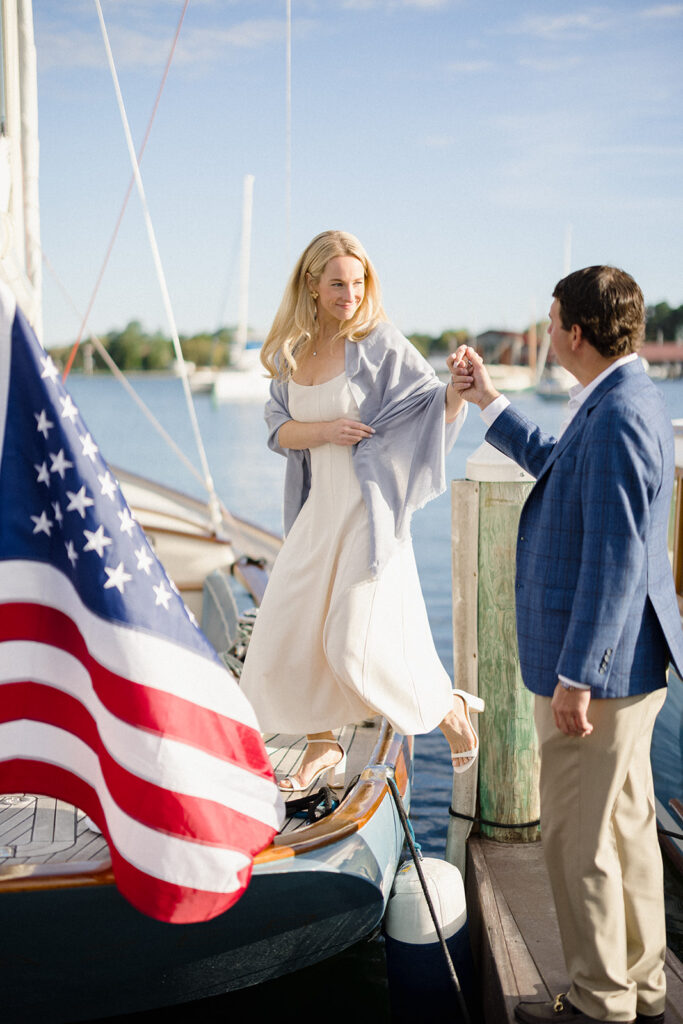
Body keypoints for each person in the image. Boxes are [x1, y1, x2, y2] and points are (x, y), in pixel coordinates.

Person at [451, 265, 683, 1024]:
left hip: (601, 673)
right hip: (635, 664)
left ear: (574, 332)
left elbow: (613, 558)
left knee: (575, 844)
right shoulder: (623, 398)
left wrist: (577, 675)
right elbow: (557, 463)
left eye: (550, 321)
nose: (546, 332)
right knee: (626, 832)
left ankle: (596, 1002)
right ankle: (644, 989)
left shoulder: (615, 416)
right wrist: (488, 398)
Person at [239, 229, 483, 791]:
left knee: (352, 644)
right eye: (338, 283)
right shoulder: (293, 352)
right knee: (285, 637)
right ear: (312, 284)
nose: (350, 294)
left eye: (358, 282)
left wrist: (456, 390)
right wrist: (326, 430)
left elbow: (428, 403)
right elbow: (280, 430)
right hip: (315, 517)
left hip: (367, 518)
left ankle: (447, 708)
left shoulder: (378, 341)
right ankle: (323, 747)